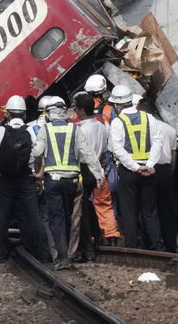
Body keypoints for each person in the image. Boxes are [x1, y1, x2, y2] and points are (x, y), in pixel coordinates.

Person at [33, 98, 104, 269]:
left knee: (56, 218)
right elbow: (87, 153)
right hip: (72, 180)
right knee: (68, 217)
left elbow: (37, 152)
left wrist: (37, 172)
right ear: (66, 114)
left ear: (49, 114)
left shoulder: (46, 129)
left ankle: (61, 257)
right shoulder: (74, 129)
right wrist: (98, 174)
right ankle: (70, 253)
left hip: (53, 180)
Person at [0, 98, 51, 263]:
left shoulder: (0, 131)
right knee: (34, 216)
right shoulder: (30, 131)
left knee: (2, 217)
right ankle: (43, 252)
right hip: (26, 179)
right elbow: (39, 153)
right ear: (24, 113)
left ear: (7, 113)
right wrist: (39, 174)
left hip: (5, 180)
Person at [107, 84, 163, 249]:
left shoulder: (118, 122)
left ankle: (131, 246)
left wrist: (135, 167)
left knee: (129, 210)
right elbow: (157, 142)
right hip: (149, 170)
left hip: (128, 171)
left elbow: (117, 149)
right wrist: (149, 164)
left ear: (117, 105)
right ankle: (154, 246)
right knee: (149, 211)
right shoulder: (148, 118)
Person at [70, 93, 111, 260]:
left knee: (81, 209)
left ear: (81, 110)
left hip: (84, 169)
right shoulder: (101, 126)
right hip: (96, 170)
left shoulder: (80, 129)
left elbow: (78, 153)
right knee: (87, 203)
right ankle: (98, 234)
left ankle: (87, 247)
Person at [151, 100, 178, 252]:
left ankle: (155, 242)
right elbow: (174, 154)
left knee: (150, 208)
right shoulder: (170, 130)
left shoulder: (147, 128)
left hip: (150, 169)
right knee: (167, 209)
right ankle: (170, 243)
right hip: (166, 170)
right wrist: (171, 171)